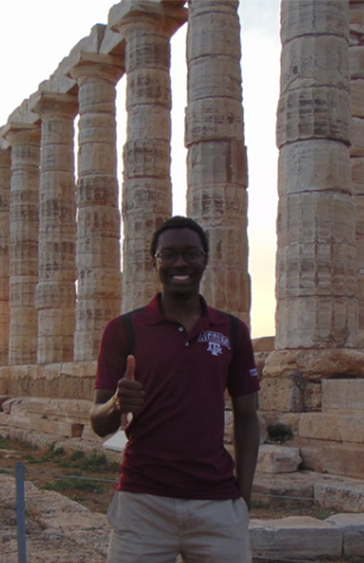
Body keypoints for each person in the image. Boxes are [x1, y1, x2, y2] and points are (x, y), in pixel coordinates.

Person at [91, 216, 261, 563]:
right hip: (142, 503)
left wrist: (242, 500)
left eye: (190, 254)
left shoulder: (231, 330)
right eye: (168, 255)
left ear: (205, 260)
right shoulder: (123, 330)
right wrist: (116, 404)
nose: (180, 263)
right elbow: (98, 423)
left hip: (216, 504)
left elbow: (247, 416)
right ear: (154, 261)